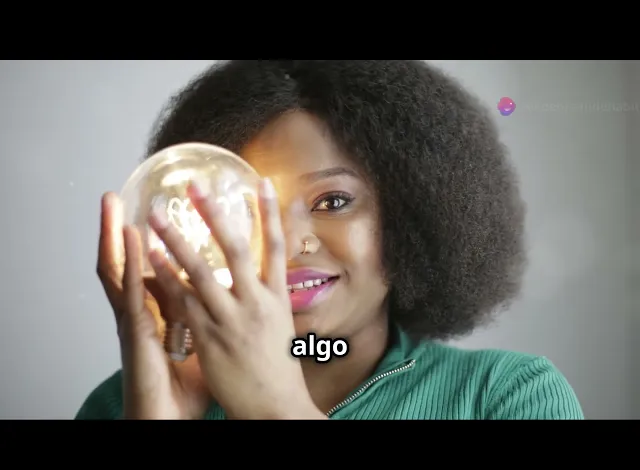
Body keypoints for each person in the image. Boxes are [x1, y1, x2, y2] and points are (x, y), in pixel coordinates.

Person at [75, 60, 583, 420]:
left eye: (333, 201)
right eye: (246, 209)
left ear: (407, 216)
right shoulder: (124, 405)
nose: (290, 241)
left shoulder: (507, 396)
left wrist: (278, 410)